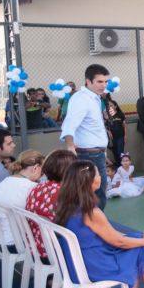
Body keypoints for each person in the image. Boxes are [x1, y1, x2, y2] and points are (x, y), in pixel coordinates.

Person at [60, 64, 111, 210]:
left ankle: (93, 221)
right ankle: (92, 222)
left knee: (97, 194)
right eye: (99, 81)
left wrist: (103, 151)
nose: (103, 85)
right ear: (88, 81)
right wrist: (70, 146)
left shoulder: (94, 98)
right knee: (95, 195)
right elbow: (69, 124)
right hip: (88, 154)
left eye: (105, 81)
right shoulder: (81, 99)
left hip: (96, 153)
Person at [25, 149, 77, 258]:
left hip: (35, 247)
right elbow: (77, 226)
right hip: (57, 250)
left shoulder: (36, 188)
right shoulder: (65, 193)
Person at [0, 150, 45, 247]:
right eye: (43, 171)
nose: (43, 175)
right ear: (35, 168)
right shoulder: (31, 187)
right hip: (20, 243)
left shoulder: (4, 181)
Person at [105, 99, 127, 168]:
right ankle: (118, 167)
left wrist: (125, 135)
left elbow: (124, 126)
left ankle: (121, 167)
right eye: (109, 105)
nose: (110, 107)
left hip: (120, 136)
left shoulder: (120, 114)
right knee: (115, 152)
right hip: (112, 138)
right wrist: (109, 132)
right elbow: (106, 126)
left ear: (115, 106)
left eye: (111, 105)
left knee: (120, 152)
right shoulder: (108, 115)